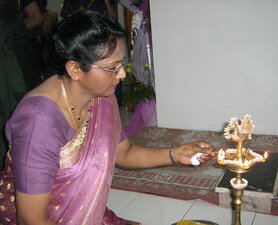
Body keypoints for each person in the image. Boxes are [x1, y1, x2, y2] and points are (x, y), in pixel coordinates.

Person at [0, 11, 216, 224]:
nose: (122, 74)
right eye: (112, 68)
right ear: (75, 69)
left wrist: (175, 154)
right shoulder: (37, 122)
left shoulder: (102, 96)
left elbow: (124, 152)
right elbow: (31, 219)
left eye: (121, 64)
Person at [0, 0, 42, 170]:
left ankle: (21, 165)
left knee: (17, 112)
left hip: (14, 61)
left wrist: (12, 32)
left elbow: (36, 17)